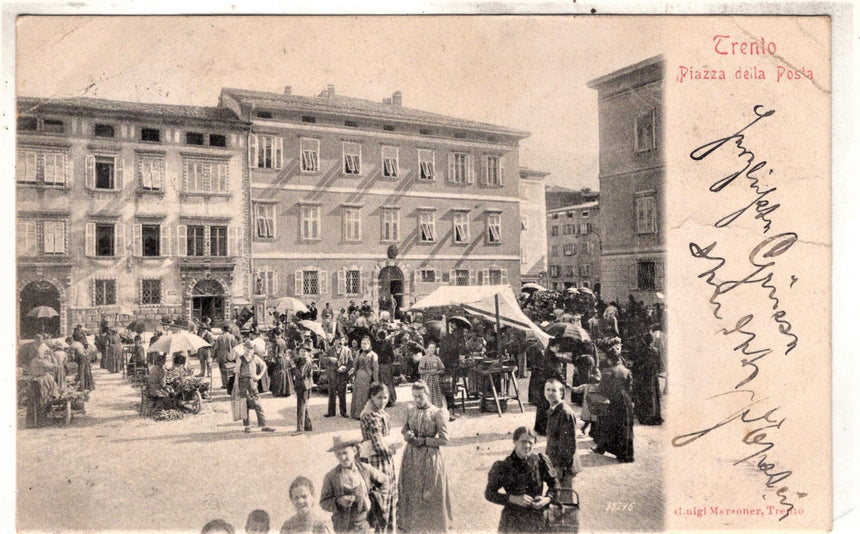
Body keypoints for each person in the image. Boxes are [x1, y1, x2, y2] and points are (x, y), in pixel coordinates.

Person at [398, 381, 453, 533]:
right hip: (411, 456)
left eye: (420, 397)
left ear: (427, 395)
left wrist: (423, 441)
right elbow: (405, 429)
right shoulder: (411, 410)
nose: (417, 400)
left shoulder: (437, 413)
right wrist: (407, 435)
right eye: (414, 396)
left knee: (429, 489)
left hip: (430, 456)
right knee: (412, 488)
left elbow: (444, 440)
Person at [484, 426, 559, 533]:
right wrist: (512, 498)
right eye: (523, 441)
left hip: (538, 520)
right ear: (514, 441)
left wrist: (547, 499)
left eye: (530, 443)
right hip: (513, 521)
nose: (527, 446)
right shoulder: (502, 466)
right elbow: (489, 493)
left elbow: (555, 485)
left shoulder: (540, 461)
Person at [320, 435, 391, 533]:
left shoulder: (366, 469)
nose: (342, 457)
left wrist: (373, 500)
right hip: (343, 526)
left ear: (354, 451)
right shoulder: (331, 476)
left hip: (366, 523)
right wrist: (338, 501)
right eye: (338, 454)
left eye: (345, 453)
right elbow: (323, 502)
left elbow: (385, 481)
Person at [359, 383, 398, 533]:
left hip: (382, 459)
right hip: (375, 460)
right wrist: (392, 450)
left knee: (386, 495)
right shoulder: (371, 415)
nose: (383, 401)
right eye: (379, 398)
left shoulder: (379, 412)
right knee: (378, 497)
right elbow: (378, 444)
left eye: (385, 397)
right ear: (371, 397)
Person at [592, 338, 634, 462]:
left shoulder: (607, 372)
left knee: (607, 425)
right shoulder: (626, 370)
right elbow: (630, 387)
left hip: (613, 401)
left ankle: (602, 447)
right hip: (626, 400)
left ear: (609, 359)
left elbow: (602, 389)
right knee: (625, 427)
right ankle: (625, 454)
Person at [544, 378, 580, 492]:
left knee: (564, 500)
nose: (550, 393)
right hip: (555, 463)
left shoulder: (564, 413)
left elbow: (568, 445)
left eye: (554, 390)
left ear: (561, 393)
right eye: (547, 390)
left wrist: (559, 466)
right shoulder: (553, 409)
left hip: (564, 467)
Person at [234, 341, 276, 433]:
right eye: (247, 348)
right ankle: (247, 426)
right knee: (244, 404)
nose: (249, 350)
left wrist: (259, 376)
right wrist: (236, 386)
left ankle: (263, 425)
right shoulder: (240, 359)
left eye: (251, 348)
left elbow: (264, 366)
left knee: (258, 404)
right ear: (244, 348)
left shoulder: (255, 357)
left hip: (253, 383)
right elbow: (237, 373)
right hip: (243, 383)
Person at [533, 338, 567, 436]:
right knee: (549, 405)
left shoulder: (549, 354)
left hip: (545, 383)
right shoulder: (549, 356)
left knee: (544, 405)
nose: (558, 348)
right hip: (549, 383)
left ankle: (541, 428)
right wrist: (562, 379)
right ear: (551, 346)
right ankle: (545, 429)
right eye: (556, 346)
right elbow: (554, 370)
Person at [438, 324, 465, 422]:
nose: (461, 335)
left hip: (451, 366)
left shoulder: (454, 339)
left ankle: (451, 404)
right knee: (447, 388)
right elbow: (449, 352)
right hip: (447, 366)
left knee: (451, 386)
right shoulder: (450, 340)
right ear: (456, 332)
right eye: (460, 333)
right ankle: (447, 411)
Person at [350, 336, 378, 420]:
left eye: (366, 343)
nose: (364, 345)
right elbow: (355, 365)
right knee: (357, 394)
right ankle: (356, 413)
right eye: (362, 343)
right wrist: (352, 373)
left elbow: (376, 369)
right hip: (358, 376)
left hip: (367, 377)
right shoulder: (359, 352)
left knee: (365, 395)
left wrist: (376, 381)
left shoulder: (373, 354)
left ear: (369, 344)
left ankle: (365, 414)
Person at [325, 338, 353, 418]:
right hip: (332, 374)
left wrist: (345, 368)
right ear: (334, 341)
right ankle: (331, 412)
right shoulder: (329, 350)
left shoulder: (347, 350)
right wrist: (330, 359)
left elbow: (351, 363)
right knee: (331, 393)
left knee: (342, 394)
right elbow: (322, 358)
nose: (340, 342)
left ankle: (343, 412)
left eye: (342, 340)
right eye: (338, 340)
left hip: (342, 375)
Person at [570, 368, 602, 437]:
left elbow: (576, 390)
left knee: (588, 420)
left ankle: (584, 430)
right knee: (594, 421)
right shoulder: (599, 387)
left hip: (587, 407)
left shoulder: (586, 386)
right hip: (594, 407)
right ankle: (590, 432)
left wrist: (570, 387)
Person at [417, 342, 446, 410]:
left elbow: (442, 369)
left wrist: (436, 372)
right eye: (430, 348)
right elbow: (420, 370)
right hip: (427, 379)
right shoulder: (424, 358)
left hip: (435, 379)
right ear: (427, 349)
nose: (432, 349)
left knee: (436, 395)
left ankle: (436, 410)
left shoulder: (437, 358)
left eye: (433, 348)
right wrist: (428, 372)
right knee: (427, 393)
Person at [292, 346, 314, 433]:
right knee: (304, 406)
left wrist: (293, 367)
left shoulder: (306, 361)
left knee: (300, 407)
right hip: (305, 385)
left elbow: (300, 374)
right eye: (301, 351)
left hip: (303, 386)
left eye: (305, 351)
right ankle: (308, 426)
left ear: (308, 352)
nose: (303, 353)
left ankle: (300, 429)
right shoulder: (302, 359)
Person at [374, 330, 397, 407]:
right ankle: (391, 399)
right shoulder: (388, 343)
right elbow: (392, 355)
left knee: (382, 383)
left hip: (380, 364)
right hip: (387, 364)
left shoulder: (377, 344)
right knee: (389, 382)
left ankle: (386, 400)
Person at [213, 325, 239, 390]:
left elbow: (216, 348)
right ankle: (231, 384)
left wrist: (213, 356)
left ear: (223, 330)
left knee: (223, 371)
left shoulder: (219, 337)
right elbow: (235, 347)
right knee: (232, 370)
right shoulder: (232, 337)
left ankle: (225, 384)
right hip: (231, 356)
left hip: (222, 356)